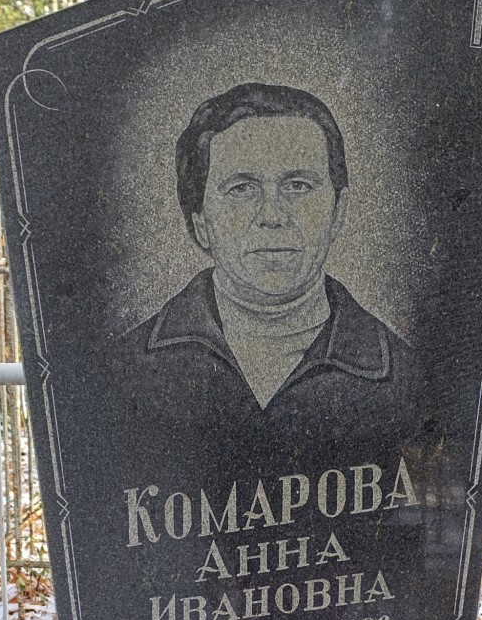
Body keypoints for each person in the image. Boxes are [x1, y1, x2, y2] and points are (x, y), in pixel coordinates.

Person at [115, 82, 412, 424]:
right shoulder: (120, 372)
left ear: (338, 212)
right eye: (242, 188)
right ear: (200, 221)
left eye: (298, 186)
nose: (272, 216)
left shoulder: (408, 378)